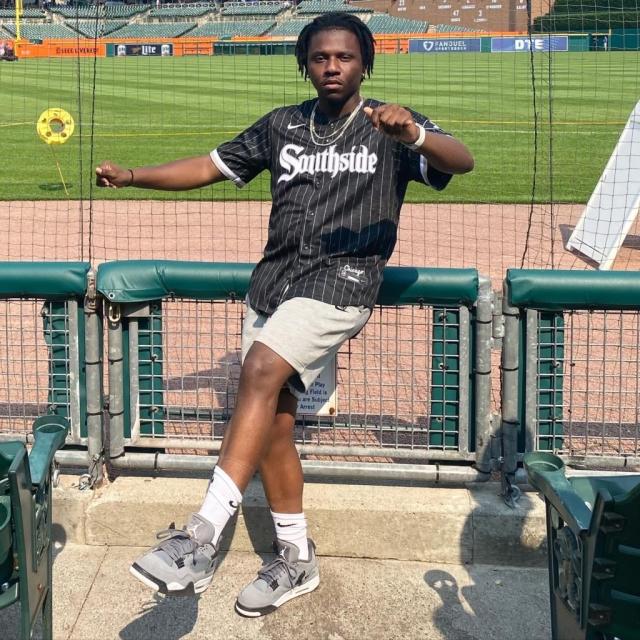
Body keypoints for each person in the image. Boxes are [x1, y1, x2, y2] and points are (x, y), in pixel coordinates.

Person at [95, 12, 473, 618]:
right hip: (273, 284)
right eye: (320, 57)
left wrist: (416, 136)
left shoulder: (390, 125)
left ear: (364, 64)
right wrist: (134, 175)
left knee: (261, 371)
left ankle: (200, 533)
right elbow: (209, 167)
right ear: (306, 64)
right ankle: (295, 556)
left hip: (342, 283)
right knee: (273, 425)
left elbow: (462, 160)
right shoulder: (283, 126)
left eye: (345, 57)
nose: (332, 67)